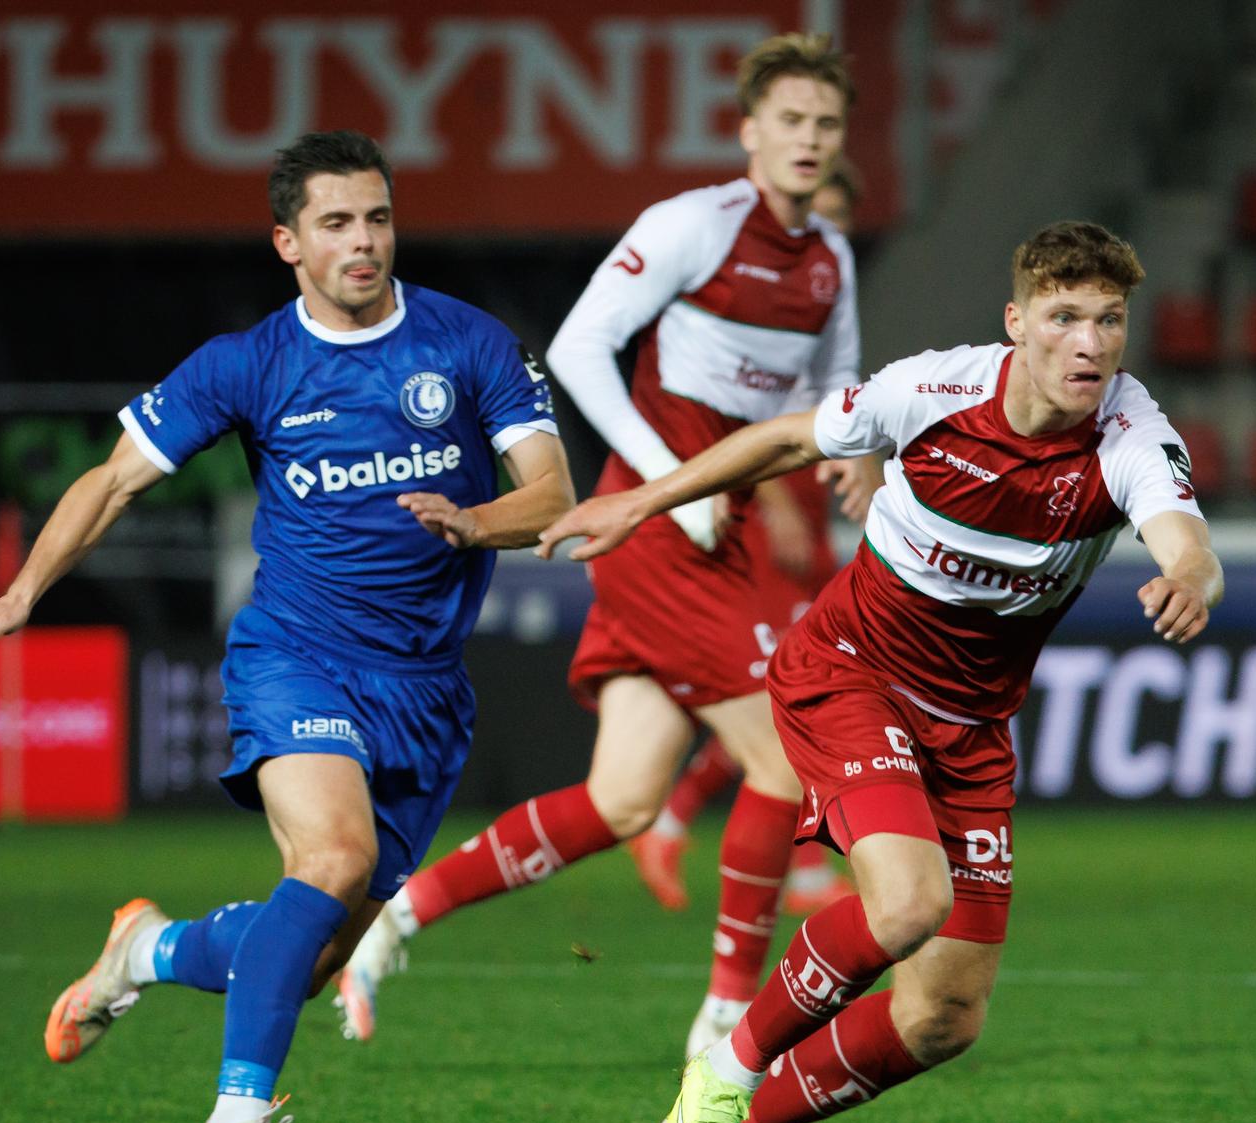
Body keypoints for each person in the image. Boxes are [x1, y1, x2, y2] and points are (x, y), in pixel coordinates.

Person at [538, 222, 1224, 1123]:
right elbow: (781, 439)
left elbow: (1186, 534)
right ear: (1017, 323)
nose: (1090, 343)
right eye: (1066, 317)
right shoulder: (936, 391)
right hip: (848, 674)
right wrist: (643, 499)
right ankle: (723, 1067)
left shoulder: (1128, 435)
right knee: (906, 903)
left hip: (973, 729)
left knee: (942, 1015)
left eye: (1109, 320)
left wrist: (1190, 578)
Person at [0, 130, 573, 1123]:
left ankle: (145, 951)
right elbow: (110, 481)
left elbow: (551, 493)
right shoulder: (248, 364)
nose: (362, 241)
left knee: (315, 945)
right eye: (335, 223)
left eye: (376, 217)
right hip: (297, 656)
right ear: (288, 241)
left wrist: (477, 520)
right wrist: (23, 593)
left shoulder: (469, 343)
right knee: (328, 863)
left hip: (427, 689)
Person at [334, 34, 873, 1064]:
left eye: (826, 124)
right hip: (659, 523)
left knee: (624, 799)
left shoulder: (831, 260)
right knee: (787, 758)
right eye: (791, 121)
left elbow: (830, 400)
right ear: (751, 129)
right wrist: (669, 479)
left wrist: (858, 462)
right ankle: (724, 1017)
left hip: (727, 521)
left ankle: (393, 921)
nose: (808, 140)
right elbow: (579, 347)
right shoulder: (693, 225)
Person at [628, 161, 872, 918]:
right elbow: (735, 414)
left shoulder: (828, 297)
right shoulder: (755, 295)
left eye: (837, 219)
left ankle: (675, 824)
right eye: (815, 211)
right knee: (785, 690)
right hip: (761, 509)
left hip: (805, 498)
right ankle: (783, 870)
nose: (822, 229)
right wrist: (776, 502)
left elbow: (845, 396)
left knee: (805, 688)